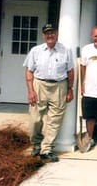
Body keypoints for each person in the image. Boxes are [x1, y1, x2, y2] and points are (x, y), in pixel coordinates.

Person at [23, 23, 74, 162]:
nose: (50, 35)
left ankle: (47, 149)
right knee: (35, 119)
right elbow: (29, 71)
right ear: (43, 35)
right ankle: (36, 145)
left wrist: (70, 89)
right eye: (47, 33)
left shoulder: (66, 50)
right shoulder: (35, 50)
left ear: (57, 34)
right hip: (39, 85)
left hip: (59, 86)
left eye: (52, 32)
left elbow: (70, 71)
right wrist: (30, 91)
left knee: (55, 120)